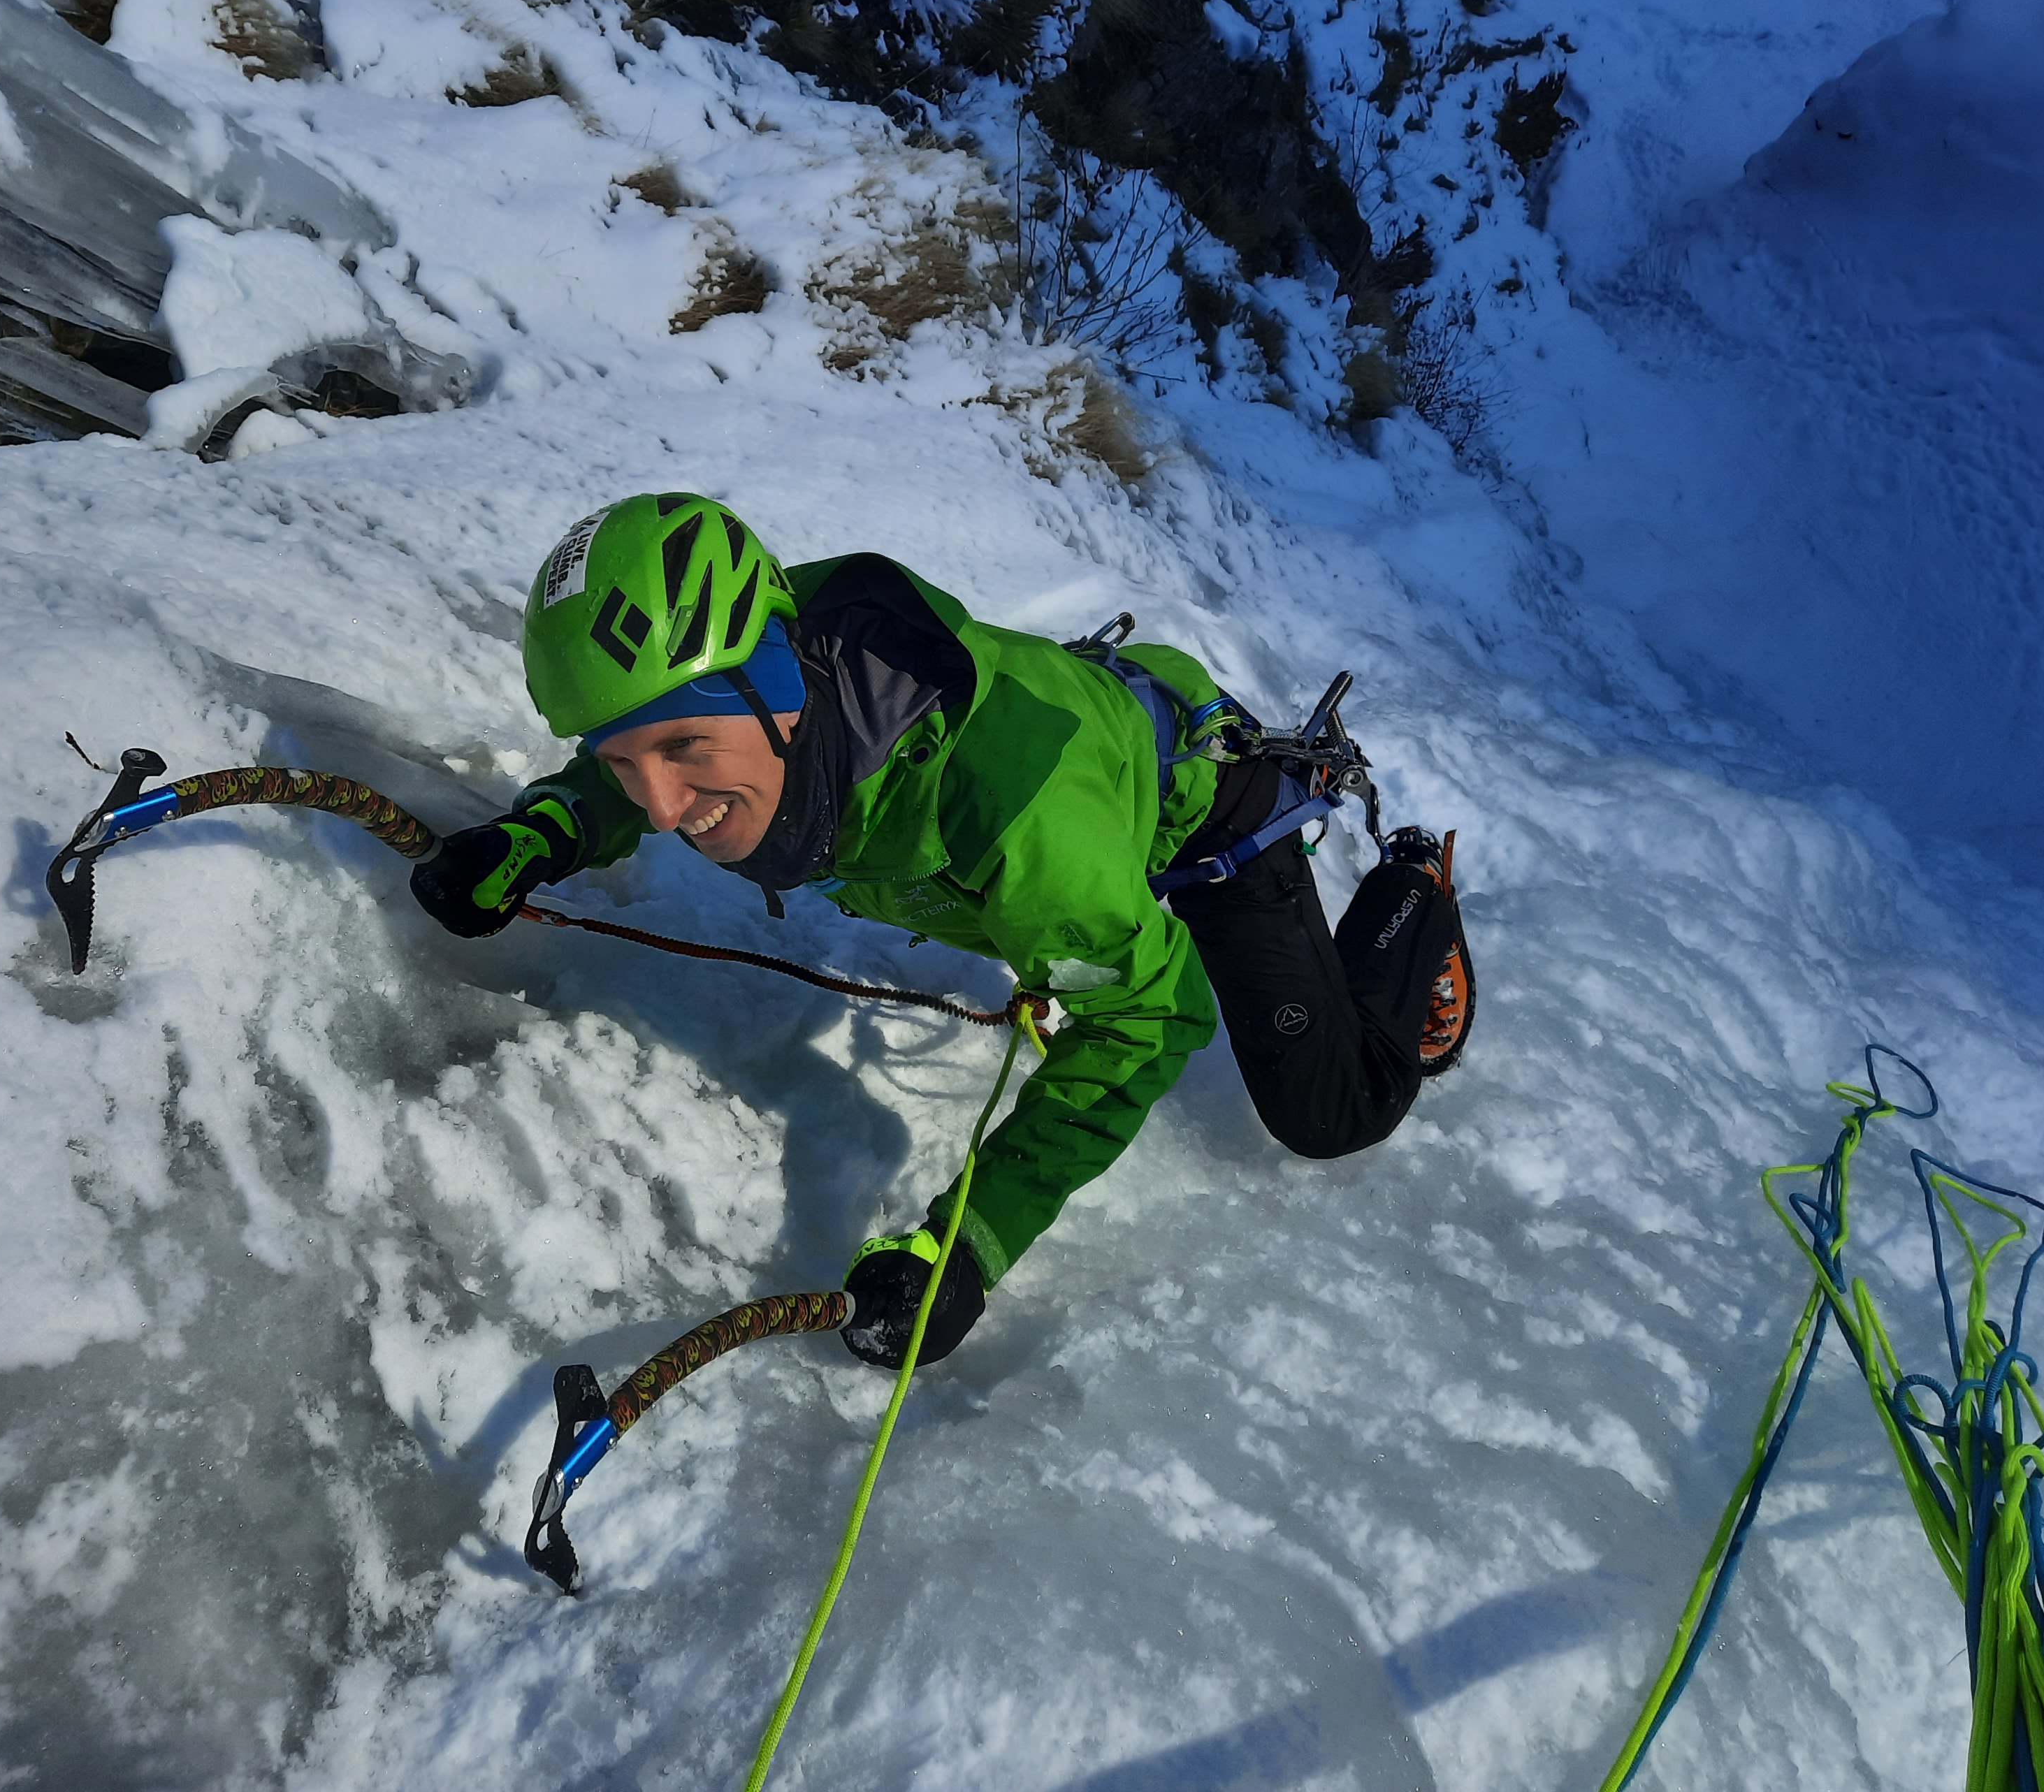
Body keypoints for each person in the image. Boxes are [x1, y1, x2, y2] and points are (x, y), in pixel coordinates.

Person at [410, 493, 1474, 1368]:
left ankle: (1413, 893)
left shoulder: (1010, 818)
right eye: (620, 763)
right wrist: (543, 831)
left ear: (782, 687)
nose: (658, 806)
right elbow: (641, 744)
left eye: (688, 747)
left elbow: (1149, 1020)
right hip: (1082, 780)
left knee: (1335, 1110)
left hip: (1208, 812)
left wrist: (970, 1243)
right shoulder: (765, 669)